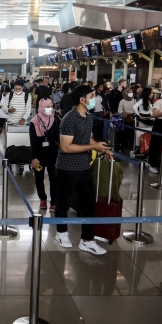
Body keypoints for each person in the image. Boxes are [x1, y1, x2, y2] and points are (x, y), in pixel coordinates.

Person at [54, 85, 113, 255]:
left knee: (88, 203)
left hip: (84, 166)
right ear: (82, 99)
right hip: (67, 167)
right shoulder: (69, 119)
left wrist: (102, 149)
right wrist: (93, 146)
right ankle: (61, 233)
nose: (94, 98)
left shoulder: (88, 117)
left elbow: (88, 138)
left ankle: (87, 239)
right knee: (63, 203)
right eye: (92, 95)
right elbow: (66, 147)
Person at [30, 99, 58, 211]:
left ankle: (54, 202)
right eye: (48, 106)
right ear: (41, 107)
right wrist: (34, 158)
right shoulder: (34, 122)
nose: (50, 109)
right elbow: (33, 141)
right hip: (39, 155)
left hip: (53, 154)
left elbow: (58, 137)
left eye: (51, 106)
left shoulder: (54, 119)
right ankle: (42, 198)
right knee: (39, 178)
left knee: (54, 179)